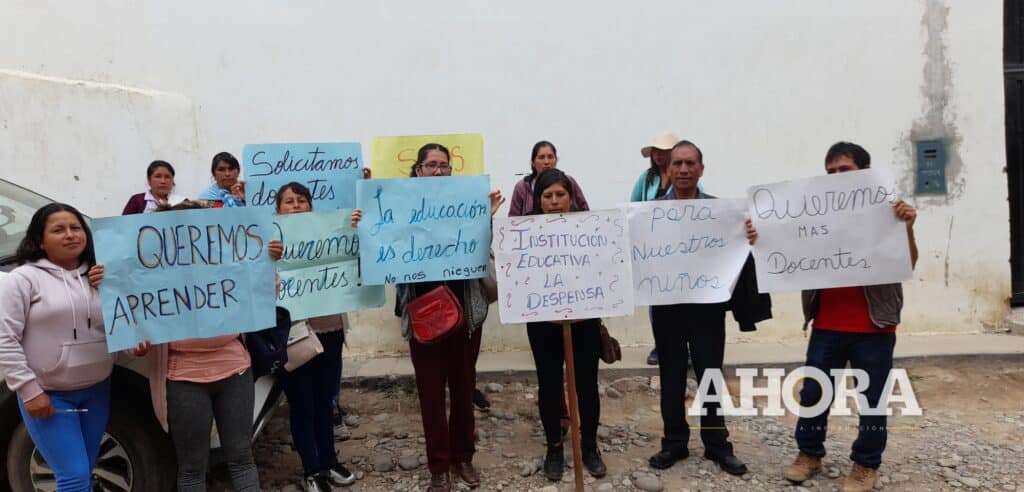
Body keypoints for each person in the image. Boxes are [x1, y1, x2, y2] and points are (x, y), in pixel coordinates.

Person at [746, 142, 918, 492]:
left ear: (865, 172)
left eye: (845, 170)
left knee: (872, 400)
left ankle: (865, 465)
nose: (837, 178)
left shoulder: (889, 212)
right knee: (813, 393)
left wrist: (908, 227)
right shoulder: (812, 212)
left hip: (875, 325)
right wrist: (759, 236)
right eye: (831, 172)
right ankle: (809, 454)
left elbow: (908, 263)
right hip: (826, 324)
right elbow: (786, 243)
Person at [351, 143, 503, 492]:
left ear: (451, 171)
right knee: (431, 394)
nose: (438, 171)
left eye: (444, 166)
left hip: (465, 315)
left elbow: (483, 251)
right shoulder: (399, 207)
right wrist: (365, 225)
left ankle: (463, 457)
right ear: (417, 170)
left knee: (464, 388)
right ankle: (439, 467)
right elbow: (380, 251)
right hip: (424, 317)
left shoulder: (465, 204)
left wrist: (486, 219)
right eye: (431, 165)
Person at [93, 200, 262, 491]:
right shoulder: (147, 275)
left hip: (235, 371)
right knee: (192, 467)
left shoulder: (228, 264)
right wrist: (105, 285)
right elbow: (131, 332)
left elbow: (262, 296)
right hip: (184, 378)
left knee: (242, 459)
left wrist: (268, 261)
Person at [0, 203, 146, 491]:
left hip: (96, 392)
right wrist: (29, 391)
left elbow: (116, 326)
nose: (70, 235)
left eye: (76, 228)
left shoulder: (102, 277)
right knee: (74, 478)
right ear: (40, 240)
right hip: (51, 398)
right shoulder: (23, 280)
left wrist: (134, 345)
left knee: (86, 468)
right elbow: (5, 338)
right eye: (58, 230)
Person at [647, 140, 771, 477]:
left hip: (707, 310)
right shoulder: (650, 213)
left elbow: (741, 253)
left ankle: (717, 447)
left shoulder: (722, 212)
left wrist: (748, 235)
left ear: (701, 168)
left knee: (710, 377)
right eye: (677, 164)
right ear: (668, 169)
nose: (684, 170)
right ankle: (674, 443)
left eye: (690, 163)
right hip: (668, 309)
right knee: (671, 378)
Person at [268, 182, 355, 492]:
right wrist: (267, 259)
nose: (295, 206)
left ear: (310, 206)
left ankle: (330, 461)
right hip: (293, 335)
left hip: (329, 328)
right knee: (302, 402)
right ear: (278, 210)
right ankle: (311, 468)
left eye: (301, 200)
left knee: (325, 400)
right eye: (288, 201)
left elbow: (352, 257)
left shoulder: (328, 234)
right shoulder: (268, 242)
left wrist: (354, 230)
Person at [522, 168, 606, 481]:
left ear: (571, 197)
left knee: (586, 384)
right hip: (543, 323)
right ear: (538, 200)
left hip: (583, 320)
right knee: (549, 385)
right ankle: (554, 447)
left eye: (560, 195)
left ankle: (589, 446)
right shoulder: (524, 233)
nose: (555, 202)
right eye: (548, 196)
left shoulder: (591, 228)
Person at [631, 131, 678, 366]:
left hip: (680, 249)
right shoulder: (646, 179)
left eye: (665, 151)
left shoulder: (686, 176)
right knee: (656, 297)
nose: (660, 156)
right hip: (654, 248)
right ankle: (661, 344)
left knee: (680, 298)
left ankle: (684, 345)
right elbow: (633, 206)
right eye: (657, 152)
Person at [507, 140, 589, 216]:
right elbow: (513, 219)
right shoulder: (522, 186)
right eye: (541, 157)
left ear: (556, 160)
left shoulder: (569, 181)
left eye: (550, 157)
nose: (546, 162)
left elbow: (585, 211)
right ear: (533, 162)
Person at [121, 160, 186, 214]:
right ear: (149, 180)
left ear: (173, 181)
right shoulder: (137, 201)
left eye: (167, 177)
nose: (163, 181)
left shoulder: (182, 202)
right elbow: (125, 224)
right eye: (158, 176)